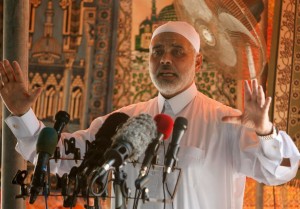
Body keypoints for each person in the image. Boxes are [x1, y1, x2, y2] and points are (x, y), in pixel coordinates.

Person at [1, 21, 299, 209]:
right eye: (157, 52)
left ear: (197, 63)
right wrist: (22, 113)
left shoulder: (227, 122)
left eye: (176, 51)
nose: (165, 59)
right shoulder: (121, 122)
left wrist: (264, 131)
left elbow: (283, 170)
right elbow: (55, 157)